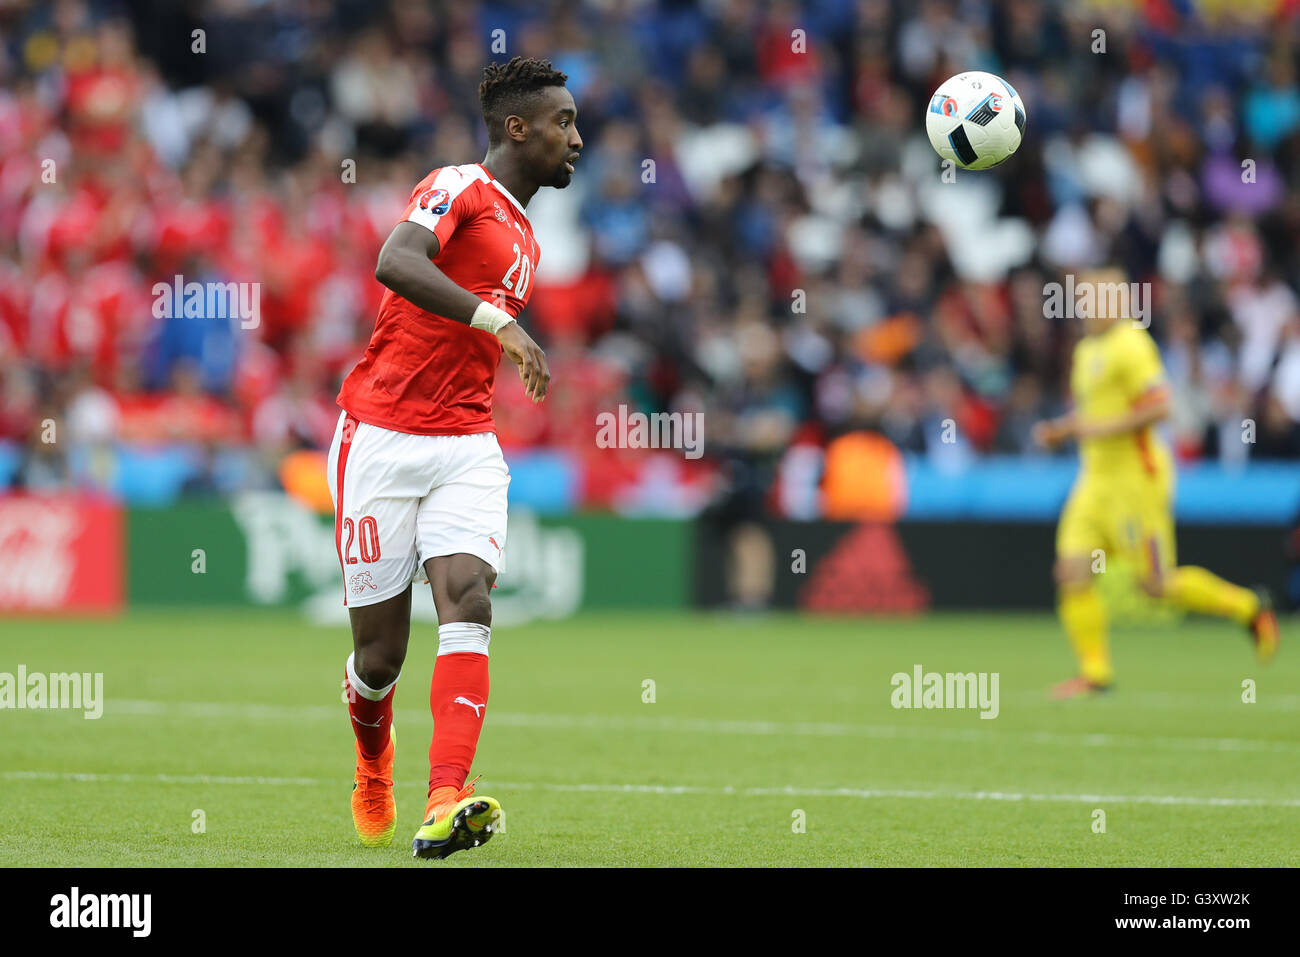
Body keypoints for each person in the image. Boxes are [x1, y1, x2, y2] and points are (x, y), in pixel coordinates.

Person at [327, 57, 581, 857]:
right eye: (563, 123)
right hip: (380, 434)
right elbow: (395, 261)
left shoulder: (530, 238)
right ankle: (374, 760)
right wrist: (498, 324)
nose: (578, 138)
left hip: (467, 443)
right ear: (518, 127)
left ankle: (446, 795)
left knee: (467, 599)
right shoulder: (457, 186)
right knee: (380, 655)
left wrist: (497, 335)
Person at [1033, 268, 1279, 698]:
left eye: (1097, 298)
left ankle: (1248, 607)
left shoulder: (1132, 345)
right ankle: (1095, 674)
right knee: (1072, 570)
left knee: (1156, 585)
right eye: (1084, 298)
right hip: (1094, 482)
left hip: (1136, 483)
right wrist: (1064, 429)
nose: (1087, 306)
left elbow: (1159, 408)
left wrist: (1086, 430)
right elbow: (1096, 413)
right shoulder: (1088, 349)